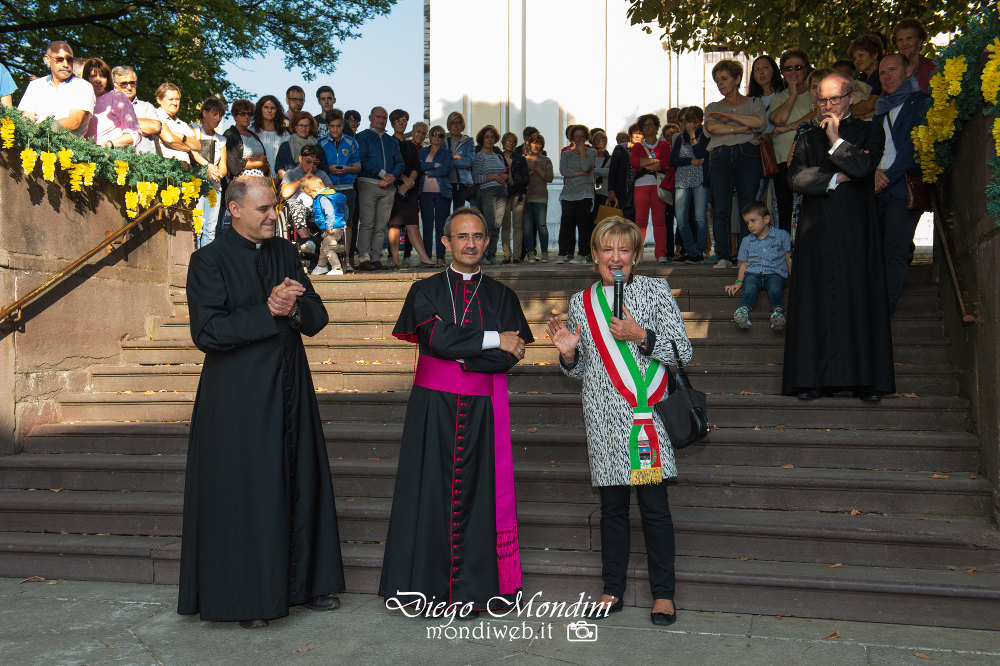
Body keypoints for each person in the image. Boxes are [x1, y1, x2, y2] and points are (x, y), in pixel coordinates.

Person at [177, 175, 344, 628]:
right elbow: (207, 332)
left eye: (274, 207)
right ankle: (248, 596)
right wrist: (266, 311)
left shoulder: (287, 254)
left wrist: (294, 308)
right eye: (263, 209)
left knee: (299, 480)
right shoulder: (206, 261)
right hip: (239, 397)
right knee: (250, 491)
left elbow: (317, 318)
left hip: (291, 386)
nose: (274, 215)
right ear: (233, 209)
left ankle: (304, 585)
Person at [379, 207, 532, 613]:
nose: (470, 244)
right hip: (433, 411)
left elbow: (510, 356)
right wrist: (491, 339)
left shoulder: (503, 295)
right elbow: (434, 336)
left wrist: (465, 355)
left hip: (483, 411)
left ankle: (478, 592)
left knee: (481, 498)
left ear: (486, 241)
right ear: (445, 242)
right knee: (426, 494)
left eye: (478, 236)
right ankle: (422, 589)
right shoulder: (424, 290)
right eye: (461, 236)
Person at [547, 216, 691, 627]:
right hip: (604, 419)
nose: (615, 258)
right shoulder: (581, 302)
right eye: (606, 249)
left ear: (635, 256)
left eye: (623, 250)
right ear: (594, 255)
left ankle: (664, 594)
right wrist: (570, 353)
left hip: (648, 419)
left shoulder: (655, 290)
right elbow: (579, 371)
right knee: (612, 509)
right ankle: (612, 588)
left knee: (655, 508)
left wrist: (640, 335)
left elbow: (682, 352)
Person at [782, 73, 894, 403]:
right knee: (815, 301)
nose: (827, 106)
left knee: (858, 297)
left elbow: (863, 166)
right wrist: (837, 176)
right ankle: (812, 380)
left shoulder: (870, 130)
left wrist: (834, 139)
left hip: (857, 231)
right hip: (816, 232)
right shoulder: (805, 137)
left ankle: (865, 381)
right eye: (821, 101)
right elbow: (796, 178)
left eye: (834, 100)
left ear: (849, 99)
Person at [874, 53, 931, 314]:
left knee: (894, 252)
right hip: (877, 187)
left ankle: (883, 312)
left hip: (901, 186)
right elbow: (873, 148)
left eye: (892, 70)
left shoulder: (920, 102)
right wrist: (873, 173)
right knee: (874, 251)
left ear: (908, 71)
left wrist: (886, 176)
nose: (886, 76)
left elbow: (913, 148)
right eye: (882, 72)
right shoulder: (880, 107)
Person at [705, 59, 767, 268]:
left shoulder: (754, 102)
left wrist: (729, 118)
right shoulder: (713, 107)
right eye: (716, 81)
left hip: (748, 154)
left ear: (737, 78)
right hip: (720, 156)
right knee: (720, 206)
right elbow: (712, 128)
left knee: (747, 205)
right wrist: (740, 127)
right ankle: (723, 255)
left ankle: (745, 255)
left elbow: (759, 123)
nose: (720, 84)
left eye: (724, 79)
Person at [725, 201, 792, 330]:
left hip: (775, 273)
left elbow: (788, 258)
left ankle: (778, 313)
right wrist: (739, 282)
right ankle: (743, 311)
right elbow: (744, 264)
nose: (750, 226)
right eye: (747, 222)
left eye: (753, 221)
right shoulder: (746, 240)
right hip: (753, 274)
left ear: (766, 219)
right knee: (749, 288)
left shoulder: (781, 235)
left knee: (775, 289)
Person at [770, 48, 814, 233]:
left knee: (809, 210)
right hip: (782, 161)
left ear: (806, 69)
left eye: (798, 67)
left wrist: (789, 127)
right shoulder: (779, 97)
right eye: (788, 69)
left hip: (809, 159)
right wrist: (793, 94)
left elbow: (817, 116)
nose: (793, 72)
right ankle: (788, 257)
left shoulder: (815, 93)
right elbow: (778, 119)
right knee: (786, 209)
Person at [355, 106, 403, 270]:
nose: (381, 120)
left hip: (388, 187)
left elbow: (400, 163)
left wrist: (391, 177)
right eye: (378, 117)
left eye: (384, 118)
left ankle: (376, 258)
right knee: (367, 222)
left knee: (381, 225)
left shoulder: (392, 141)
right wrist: (383, 174)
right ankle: (364, 258)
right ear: (370, 118)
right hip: (369, 182)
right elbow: (363, 159)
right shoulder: (362, 137)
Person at [386, 109, 434, 268]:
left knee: (413, 224)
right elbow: (389, 165)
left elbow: (415, 166)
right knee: (394, 224)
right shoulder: (388, 141)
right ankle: (395, 260)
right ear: (392, 123)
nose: (402, 123)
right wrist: (403, 180)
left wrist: (409, 182)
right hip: (393, 187)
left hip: (410, 189)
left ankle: (425, 258)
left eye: (405, 121)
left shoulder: (409, 145)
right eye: (399, 121)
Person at [17, 41, 95, 136]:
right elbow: (27, 118)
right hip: (34, 140)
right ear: (47, 59)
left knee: (54, 126)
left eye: (69, 59)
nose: (66, 64)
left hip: (67, 144)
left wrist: (41, 129)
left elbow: (74, 122)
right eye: (59, 59)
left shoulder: (83, 86)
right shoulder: (35, 85)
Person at [318, 109, 361, 271]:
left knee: (347, 224)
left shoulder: (351, 143)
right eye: (332, 126)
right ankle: (330, 259)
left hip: (348, 187)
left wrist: (347, 169)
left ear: (343, 125)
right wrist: (328, 169)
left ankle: (348, 259)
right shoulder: (321, 143)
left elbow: (358, 167)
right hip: (329, 188)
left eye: (338, 126)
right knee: (329, 223)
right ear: (328, 126)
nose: (335, 130)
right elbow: (319, 167)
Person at [629, 115, 672, 263]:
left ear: (656, 127)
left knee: (659, 220)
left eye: (650, 125)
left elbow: (666, 163)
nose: (647, 128)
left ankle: (661, 254)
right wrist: (655, 161)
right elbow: (635, 162)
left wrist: (645, 163)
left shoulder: (665, 145)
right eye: (644, 126)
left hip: (658, 186)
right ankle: (638, 254)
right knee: (640, 220)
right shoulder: (637, 146)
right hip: (640, 186)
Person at [670, 107, 709, 263]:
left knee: (700, 217)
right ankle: (688, 250)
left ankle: (699, 251)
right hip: (682, 181)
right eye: (688, 121)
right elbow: (673, 160)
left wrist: (693, 136)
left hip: (700, 180)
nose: (690, 124)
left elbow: (700, 152)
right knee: (681, 218)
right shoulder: (679, 138)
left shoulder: (705, 135)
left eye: (694, 121)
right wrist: (691, 161)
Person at [280, 144, 332, 256]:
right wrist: (303, 179)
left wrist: (318, 183)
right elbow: (285, 193)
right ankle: (306, 241)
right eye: (308, 162)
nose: (311, 166)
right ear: (300, 159)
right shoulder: (291, 174)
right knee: (294, 204)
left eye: (315, 163)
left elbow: (332, 190)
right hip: (298, 205)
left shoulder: (321, 174)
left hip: (317, 205)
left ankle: (331, 240)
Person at [190, 97, 227, 248]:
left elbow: (223, 165)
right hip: (196, 183)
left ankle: (206, 262)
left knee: (210, 229)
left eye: (220, 115)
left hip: (214, 186)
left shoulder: (222, 139)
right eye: (214, 114)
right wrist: (208, 166)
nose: (218, 118)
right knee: (197, 226)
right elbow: (193, 152)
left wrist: (219, 173)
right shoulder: (194, 129)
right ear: (204, 113)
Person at [81, 58, 140, 149]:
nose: (98, 80)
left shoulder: (117, 97)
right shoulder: (82, 99)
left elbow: (134, 134)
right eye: (93, 76)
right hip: (87, 155)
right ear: (86, 78)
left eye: (102, 76)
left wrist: (109, 145)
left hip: (113, 155)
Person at [559, 124, 597, 264]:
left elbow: (588, 166)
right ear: (572, 138)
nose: (580, 139)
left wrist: (582, 153)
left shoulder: (591, 152)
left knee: (583, 224)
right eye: (576, 137)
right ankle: (562, 253)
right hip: (569, 192)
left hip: (585, 192)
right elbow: (564, 171)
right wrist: (582, 173)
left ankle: (582, 254)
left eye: (582, 136)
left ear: (586, 137)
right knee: (567, 224)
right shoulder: (566, 153)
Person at [472, 124, 509, 264]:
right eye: (487, 136)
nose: (490, 139)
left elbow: (506, 174)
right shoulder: (479, 156)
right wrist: (492, 177)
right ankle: (482, 255)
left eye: (492, 137)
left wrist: (505, 177)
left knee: (497, 225)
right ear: (482, 138)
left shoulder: (499, 156)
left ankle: (492, 255)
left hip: (502, 192)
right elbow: (476, 178)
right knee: (489, 224)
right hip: (487, 192)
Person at [418, 125, 454, 266]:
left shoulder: (447, 153)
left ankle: (440, 257)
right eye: (434, 134)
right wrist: (435, 166)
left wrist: (430, 171)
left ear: (443, 138)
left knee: (441, 227)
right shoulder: (422, 151)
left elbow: (445, 170)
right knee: (427, 226)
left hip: (442, 193)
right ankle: (426, 258)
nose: (437, 137)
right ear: (430, 136)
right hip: (424, 193)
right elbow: (420, 167)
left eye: (440, 135)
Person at [110, 66, 166, 153]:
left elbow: (155, 127)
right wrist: (141, 125)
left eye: (132, 83)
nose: (129, 87)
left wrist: (119, 121)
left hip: (145, 163)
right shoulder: (106, 108)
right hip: (118, 162)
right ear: (114, 86)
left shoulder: (146, 107)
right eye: (124, 84)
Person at [302, 175, 348, 276]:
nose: (311, 197)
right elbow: (345, 208)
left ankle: (336, 267)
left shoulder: (323, 198)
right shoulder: (332, 195)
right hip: (337, 226)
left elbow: (329, 213)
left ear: (314, 190)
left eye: (310, 195)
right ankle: (321, 266)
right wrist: (345, 220)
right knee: (324, 246)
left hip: (332, 228)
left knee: (328, 248)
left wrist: (329, 227)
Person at [522, 132, 553, 263]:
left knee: (541, 225)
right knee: (527, 227)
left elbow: (549, 177)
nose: (536, 145)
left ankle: (545, 253)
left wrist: (536, 168)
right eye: (534, 142)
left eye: (539, 143)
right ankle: (530, 253)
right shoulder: (524, 159)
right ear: (529, 144)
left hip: (541, 197)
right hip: (526, 197)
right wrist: (531, 171)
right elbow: (520, 178)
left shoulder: (546, 160)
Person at [500, 131, 530, 263]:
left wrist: (515, 185)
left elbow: (526, 178)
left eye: (513, 141)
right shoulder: (498, 157)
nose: (510, 143)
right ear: (503, 142)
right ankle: (506, 254)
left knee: (518, 226)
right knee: (505, 225)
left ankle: (517, 255)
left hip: (518, 194)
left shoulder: (520, 159)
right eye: (508, 140)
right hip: (503, 194)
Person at [223, 99, 268, 182]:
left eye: (249, 114)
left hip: (261, 182)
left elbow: (266, 167)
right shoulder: (230, 135)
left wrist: (263, 163)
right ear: (235, 116)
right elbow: (234, 166)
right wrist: (259, 163)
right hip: (241, 184)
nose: (246, 117)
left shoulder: (254, 136)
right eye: (243, 114)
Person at [152, 83, 199, 163]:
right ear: (159, 100)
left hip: (185, 172)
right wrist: (188, 148)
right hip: (164, 170)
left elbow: (197, 146)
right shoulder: (154, 116)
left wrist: (182, 137)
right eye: (170, 99)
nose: (175, 103)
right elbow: (170, 140)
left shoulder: (183, 124)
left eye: (177, 99)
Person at [608, 123, 642, 223]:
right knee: (622, 218)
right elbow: (612, 170)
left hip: (639, 190)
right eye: (634, 133)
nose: (637, 136)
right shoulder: (620, 149)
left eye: (640, 133)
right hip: (622, 190)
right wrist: (611, 189)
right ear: (630, 134)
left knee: (636, 218)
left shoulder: (644, 149)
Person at [892, 18, 937, 93]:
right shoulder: (890, 69)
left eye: (909, 38)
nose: (905, 44)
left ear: (920, 41)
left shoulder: (933, 67)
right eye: (900, 40)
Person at [252, 95, 289, 178]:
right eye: (266, 107)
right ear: (260, 110)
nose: (269, 110)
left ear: (277, 111)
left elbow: (287, 161)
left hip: (279, 179)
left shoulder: (285, 135)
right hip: (257, 178)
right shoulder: (252, 132)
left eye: (272, 108)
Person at [275, 111, 320, 179]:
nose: (304, 128)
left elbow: (323, 168)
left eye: (307, 126)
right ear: (295, 126)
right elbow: (279, 167)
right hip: (289, 184)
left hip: (312, 184)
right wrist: (282, 173)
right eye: (301, 125)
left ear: (311, 127)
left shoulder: (317, 146)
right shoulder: (285, 146)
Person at [445, 111, 475, 210]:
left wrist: (450, 160)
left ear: (462, 125)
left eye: (459, 122)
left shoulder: (468, 141)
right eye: (453, 123)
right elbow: (441, 160)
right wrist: (457, 157)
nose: (456, 125)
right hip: (445, 182)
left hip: (461, 183)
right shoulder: (443, 140)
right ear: (449, 125)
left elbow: (469, 161)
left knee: (459, 212)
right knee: (444, 213)